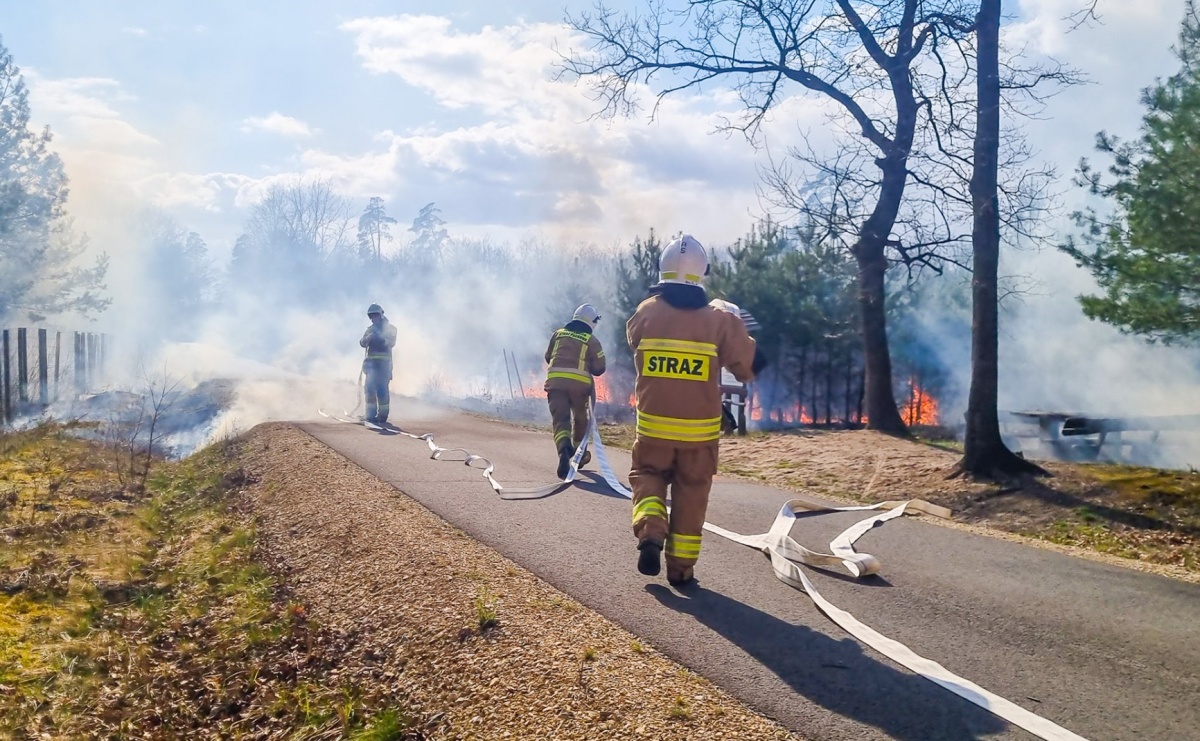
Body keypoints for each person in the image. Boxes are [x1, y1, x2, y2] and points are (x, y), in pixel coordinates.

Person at [626, 235, 765, 586]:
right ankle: (681, 569)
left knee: (647, 477)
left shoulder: (646, 313)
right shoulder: (718, 321)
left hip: (654, 430)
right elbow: (751, 366)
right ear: (702, 274)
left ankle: (651, 531)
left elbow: (632, 341)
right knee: (692, 493)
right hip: (699, 437)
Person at [544, 303, 606, 479]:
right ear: (591, 322)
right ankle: (579, 455)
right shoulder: (592, 341)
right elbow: (600, 368)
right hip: (579, 388)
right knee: (580, 420)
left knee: (560, 421)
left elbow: (548, 357)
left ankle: (564, 451)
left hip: (555, 384)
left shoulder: (558, 334)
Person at [359, 303, 398, 425]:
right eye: (371, 316)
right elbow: (361, 343)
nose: (373, 318)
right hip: (371, 366)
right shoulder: (370, 330)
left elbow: (391, 342)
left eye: (375, 315)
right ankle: (370, 415)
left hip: (384, 366)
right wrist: (368, 338)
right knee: (369, 389)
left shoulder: (391, 328)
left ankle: (382, 416)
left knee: (382, 390)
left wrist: (380, 338)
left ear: (381, 315)